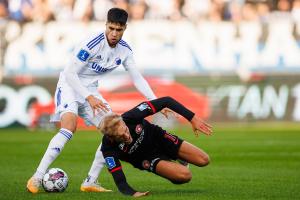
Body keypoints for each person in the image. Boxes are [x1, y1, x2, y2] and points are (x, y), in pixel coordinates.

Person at [26, 7, 172, 194]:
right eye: (111, 28)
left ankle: (90, 181)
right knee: (69, 127)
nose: (113, 33)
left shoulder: (125, 51)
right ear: (106, 25)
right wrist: (89, 97)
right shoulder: (92, 43)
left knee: (114, 130)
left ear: (124, 29)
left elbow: (136, 78)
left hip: (91, 91)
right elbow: (70, 73)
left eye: (118, 30)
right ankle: (37, 177)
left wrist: (155, 101)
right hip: (70, 86)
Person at [98, 96, 213, 197]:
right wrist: (132, 193)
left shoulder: (131, 116)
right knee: (185, 176)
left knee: (204, 160)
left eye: (125, 131)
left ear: (123, 123)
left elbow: (166, 100)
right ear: (111, 138)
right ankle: (169, 167)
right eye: (121, 136)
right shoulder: (108, 148)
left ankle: (175, 156)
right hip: (148, 158)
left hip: (160, 139)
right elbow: (119, 180)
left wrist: (192, 119)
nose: (126, 136)